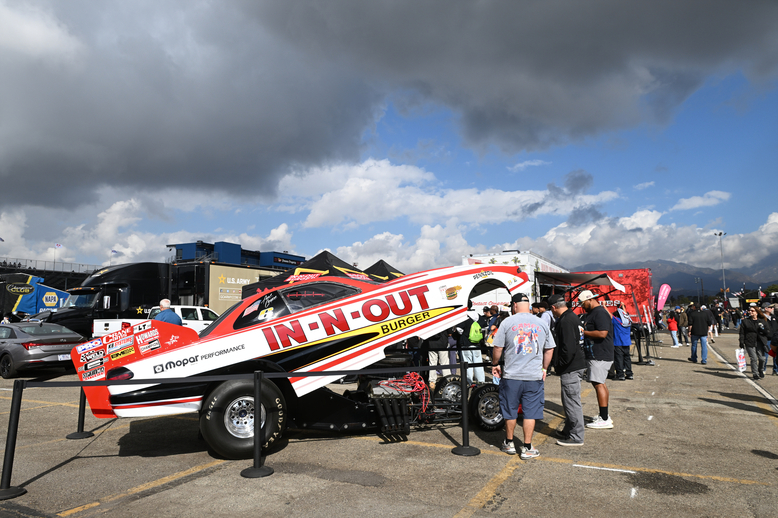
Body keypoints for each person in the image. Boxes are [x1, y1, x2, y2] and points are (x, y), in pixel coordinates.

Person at [491, 292, 555, 459]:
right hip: (533, 376)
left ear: (514, 305)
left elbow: (497, 347)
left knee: (510, 410)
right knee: (530, 412)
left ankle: (510, 443)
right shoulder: (541, 323)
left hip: (512, 375)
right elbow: (549, 349)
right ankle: (527, 447)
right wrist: (544, 368)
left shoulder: (507, 322)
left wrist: (495, 364)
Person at [548, 294, 586, 446]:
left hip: (571, 366)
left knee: (571, 401)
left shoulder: (565, 320)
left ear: (553, 307)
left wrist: (559, 364)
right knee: (568, 400)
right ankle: (569, 430)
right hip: (575, 364)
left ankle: (576, 436)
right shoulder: (572, 317)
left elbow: (568, 348)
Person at [579, 290, 615, 429]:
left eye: (583, 303)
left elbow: (602, 333)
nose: (583, 306)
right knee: (600, 383)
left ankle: (604, 418)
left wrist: (583, 332)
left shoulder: (599, 312)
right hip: (597, 354)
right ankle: (604, 415)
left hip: (600, 354)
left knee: (599, 383)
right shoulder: (593, 313)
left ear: (589, 300)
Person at [739, 304, 770, 380]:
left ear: (757, 312)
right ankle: (755, 373)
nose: (750, 312)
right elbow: (742, 332)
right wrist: (741, 342)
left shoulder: (762, 321)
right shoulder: (746, 321)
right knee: (754, 358)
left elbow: (768, 331)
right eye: (749, 310)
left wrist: (763, 330)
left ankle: (761, 370)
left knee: (762, 358)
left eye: (752, 310)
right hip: (749, 341)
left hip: (760, 341)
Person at [612, 302, 633, 380]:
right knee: (627, 359)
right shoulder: (627, 321)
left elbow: (609, 315)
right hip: (627, 343)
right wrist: (623, 306)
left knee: (619, 359)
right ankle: (629, 373)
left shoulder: (617, 321)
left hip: (618, 343)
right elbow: (625, 315)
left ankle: (620, 375)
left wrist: (604, 306)